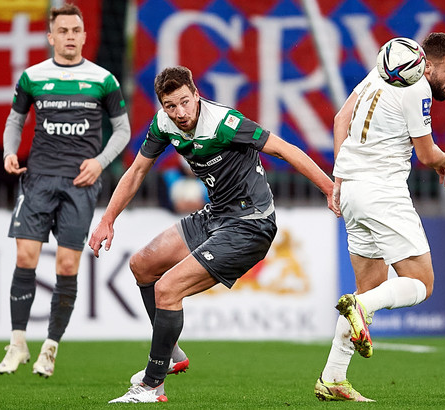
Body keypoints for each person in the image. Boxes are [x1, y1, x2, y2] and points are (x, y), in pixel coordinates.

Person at [88, 65, 338, 403]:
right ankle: (172, 356)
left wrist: (328, 188)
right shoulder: (164, 124)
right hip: (216, 215)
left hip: (250, 224)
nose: (180, 113)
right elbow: (136, 173)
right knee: (142, 265)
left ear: (196, 93)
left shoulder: (224, 123)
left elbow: (283, 149)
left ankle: (150, 385)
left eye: (184, 102)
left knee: (167, 288)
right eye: (170, 106)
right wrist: (107, 220)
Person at [314, 32, 445, 402]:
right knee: (422, 284)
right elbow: (428, 155)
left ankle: (333, 377)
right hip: (383, 191)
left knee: (369, 288)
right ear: (426, 65)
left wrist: (340, 174)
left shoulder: (379, 73)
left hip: (351, 189)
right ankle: (360, 307)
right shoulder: (417, 88)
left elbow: (340, 119)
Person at [0, 3, 130, 378]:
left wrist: (100, 162)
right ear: (51, 36)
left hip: (80, 183)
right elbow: (15, 120)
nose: (70, 37)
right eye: (64, 31)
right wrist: (10, 151)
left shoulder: (103, 80)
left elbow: (123, 131)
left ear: (84, 36)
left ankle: (51, 347)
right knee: (25, 256)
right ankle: (18, 343)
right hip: (38, 178)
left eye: (76, 30)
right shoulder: (33, 77)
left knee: (67, 264)